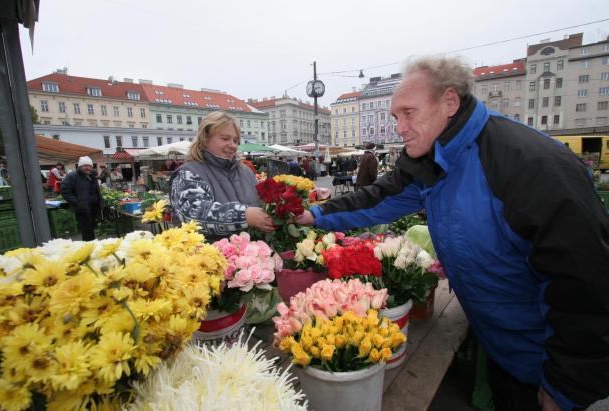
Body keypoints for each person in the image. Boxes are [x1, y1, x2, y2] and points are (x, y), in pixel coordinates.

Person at [296, 56, 609, 411]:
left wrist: (565, 385)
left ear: (449, 103)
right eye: (395, 117)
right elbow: (378, 198)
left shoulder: (529, 164)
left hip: (541, 365)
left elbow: (585, 283)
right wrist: (314, 214)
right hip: (499, 349)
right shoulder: (430, 159)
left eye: (409, 113)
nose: (399, 127)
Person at [169, 111, 275, 240]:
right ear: (205, 138)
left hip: (253, 256)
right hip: (211, 257)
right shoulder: (188, 173)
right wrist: (244, 215)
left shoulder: (246, 171)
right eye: (225, 139)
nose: (232, 145)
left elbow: (262, 204)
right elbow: (192, 213)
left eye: (236, 141)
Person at [61, 156, 103, 241]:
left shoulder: (91, 176)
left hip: (93, 206)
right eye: (85, 165)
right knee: (86, 230)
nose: (88, 168)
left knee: (91, 228)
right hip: (82, 208)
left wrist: (100, 202)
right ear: (79, 166)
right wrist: (77, 202)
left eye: (89, 166)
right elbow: (65, 192)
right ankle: (88, 247)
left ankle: (92, 245)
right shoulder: (72, 176)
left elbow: (96, 190)